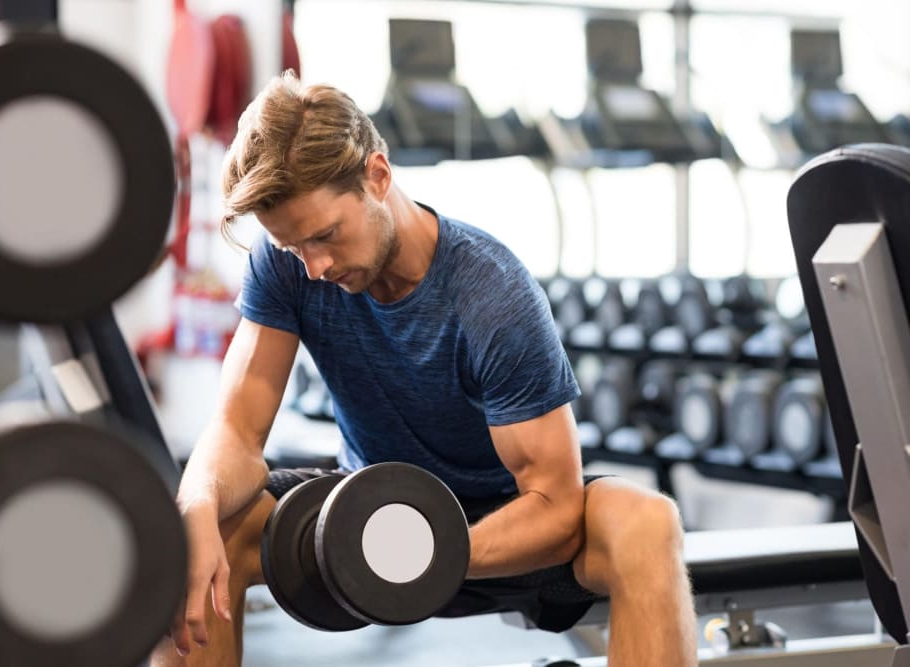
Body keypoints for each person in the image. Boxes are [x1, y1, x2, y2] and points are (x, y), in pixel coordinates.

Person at [150, 71, 697, 667]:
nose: (314, 267)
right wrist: (197, 502)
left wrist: (426, 552)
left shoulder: (491, 294)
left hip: (504, 526)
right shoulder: (289, 264)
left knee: (647, 524)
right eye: (293, 249)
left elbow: (557, 508)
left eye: (326, 236)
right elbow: (236, 431)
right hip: (363, 515)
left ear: (377, 177)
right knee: (199, 538)